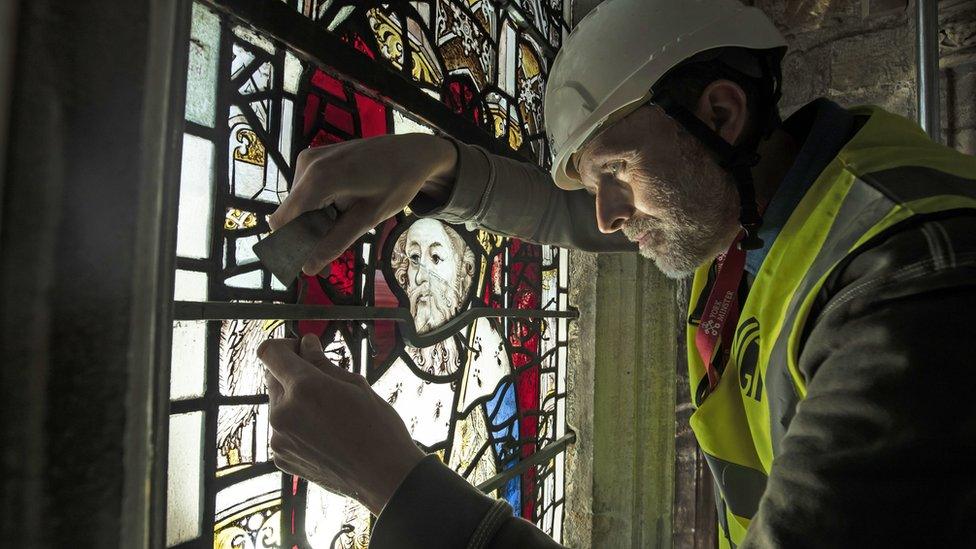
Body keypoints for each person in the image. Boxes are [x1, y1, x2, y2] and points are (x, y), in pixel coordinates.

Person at [257, 0, 976, 547]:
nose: (605, 216)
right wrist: (433, 166)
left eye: (616, 171)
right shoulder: (768, 200)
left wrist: (398, 485)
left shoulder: (907, 297)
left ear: (721, 114)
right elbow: (562, 214)